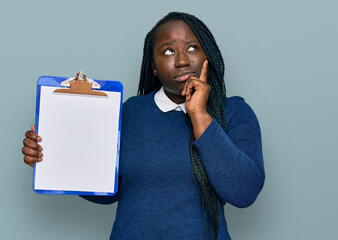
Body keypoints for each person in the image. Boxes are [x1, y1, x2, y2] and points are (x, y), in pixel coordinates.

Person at [22, 12, 265, 240]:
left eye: (192, 48)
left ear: (207, 56)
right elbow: (109, 191)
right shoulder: (129, 112)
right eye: (168, 51)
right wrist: (53, 157)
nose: (181, 60)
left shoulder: (233, 112)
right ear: (153, 67)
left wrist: (200, 116)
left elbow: (244, 192)